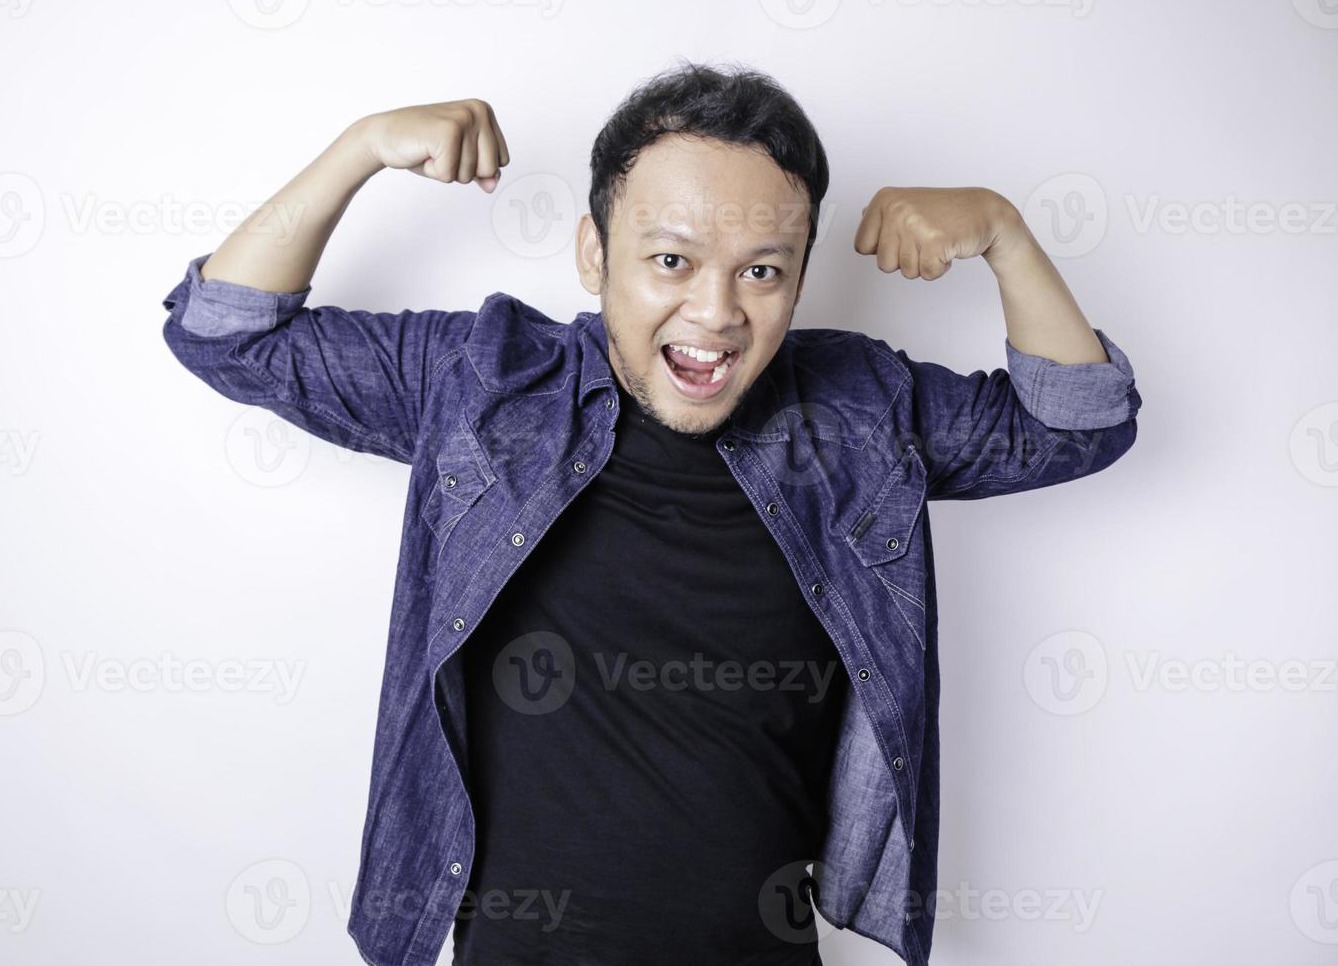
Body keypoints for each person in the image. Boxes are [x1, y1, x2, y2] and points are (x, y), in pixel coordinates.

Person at [160, 61, 1141, 966]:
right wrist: (362, 145)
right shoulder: (486, 380)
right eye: (670, 260)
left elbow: (1079, 426)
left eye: (762, 270)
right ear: (594, 251)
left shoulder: (858, 410)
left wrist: (1005, 234)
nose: (716, 312)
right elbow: (225, 333)